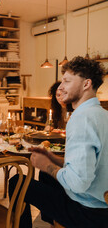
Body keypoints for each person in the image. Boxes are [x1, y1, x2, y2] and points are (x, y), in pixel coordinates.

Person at [9, 56, 108, 228]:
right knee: (47, 178)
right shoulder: (102, 114)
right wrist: (53, 159)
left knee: (16, 182)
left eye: (67, 81)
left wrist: (47, 165)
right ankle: (54, 222)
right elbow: (92, 166)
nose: (61, 87)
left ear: (86, 84)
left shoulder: (82, 119)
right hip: (101, 203)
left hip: (88, 213)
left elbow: (78, 182)